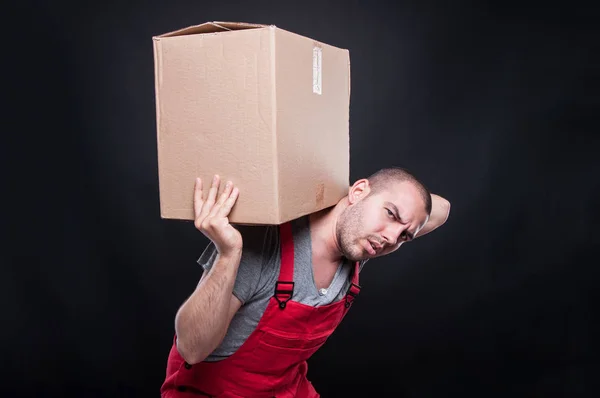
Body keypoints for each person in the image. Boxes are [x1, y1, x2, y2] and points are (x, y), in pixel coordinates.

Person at [160, 167, 451, 397]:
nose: (390, 237)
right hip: (213, 391)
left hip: (283, 389)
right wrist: (228, 254)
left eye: (404, 236)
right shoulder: (262, 244)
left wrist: (384, 206)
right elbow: (192, 348)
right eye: (390, 214)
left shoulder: (362, 245)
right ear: (359, 191)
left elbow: (442, 209)